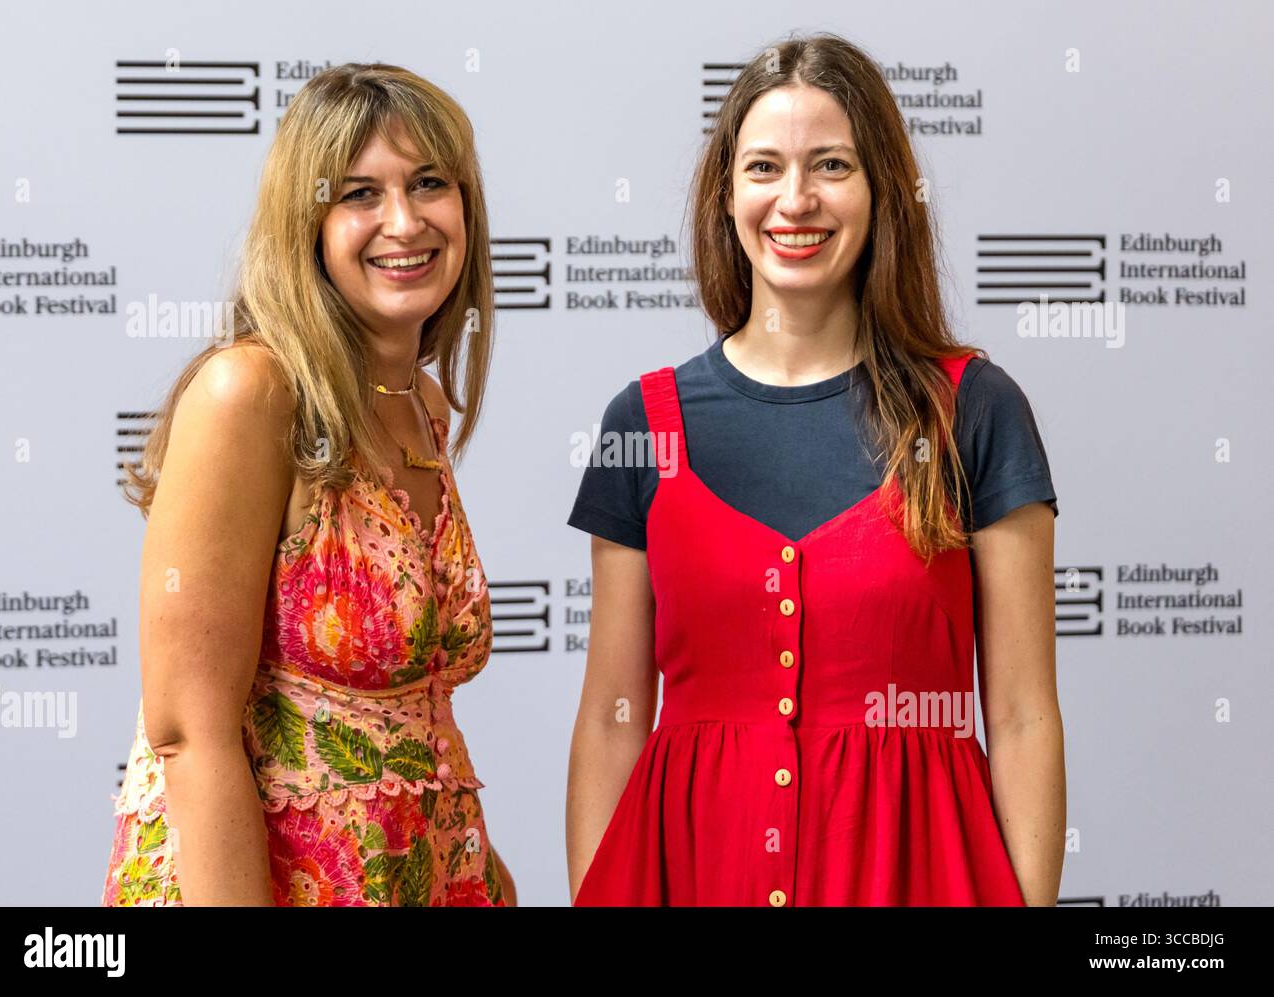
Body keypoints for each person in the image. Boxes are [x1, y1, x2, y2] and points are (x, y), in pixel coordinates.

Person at [565, 33, 1065, 906]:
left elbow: (1022, 717)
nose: (795, 199)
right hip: (695, 872)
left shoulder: (975, 412)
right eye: (764, 167)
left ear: (883, 193)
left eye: (830, 164)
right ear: (727, 195)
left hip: (921, 876)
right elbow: (612, 720)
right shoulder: (640, 425)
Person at [102, 63, 515, 907]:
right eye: (361, 193)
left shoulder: (422, 404)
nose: (405, 221)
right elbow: (189, 730)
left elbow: (414, 725)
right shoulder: (249, 394)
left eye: (430, 183)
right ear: (309, 225)